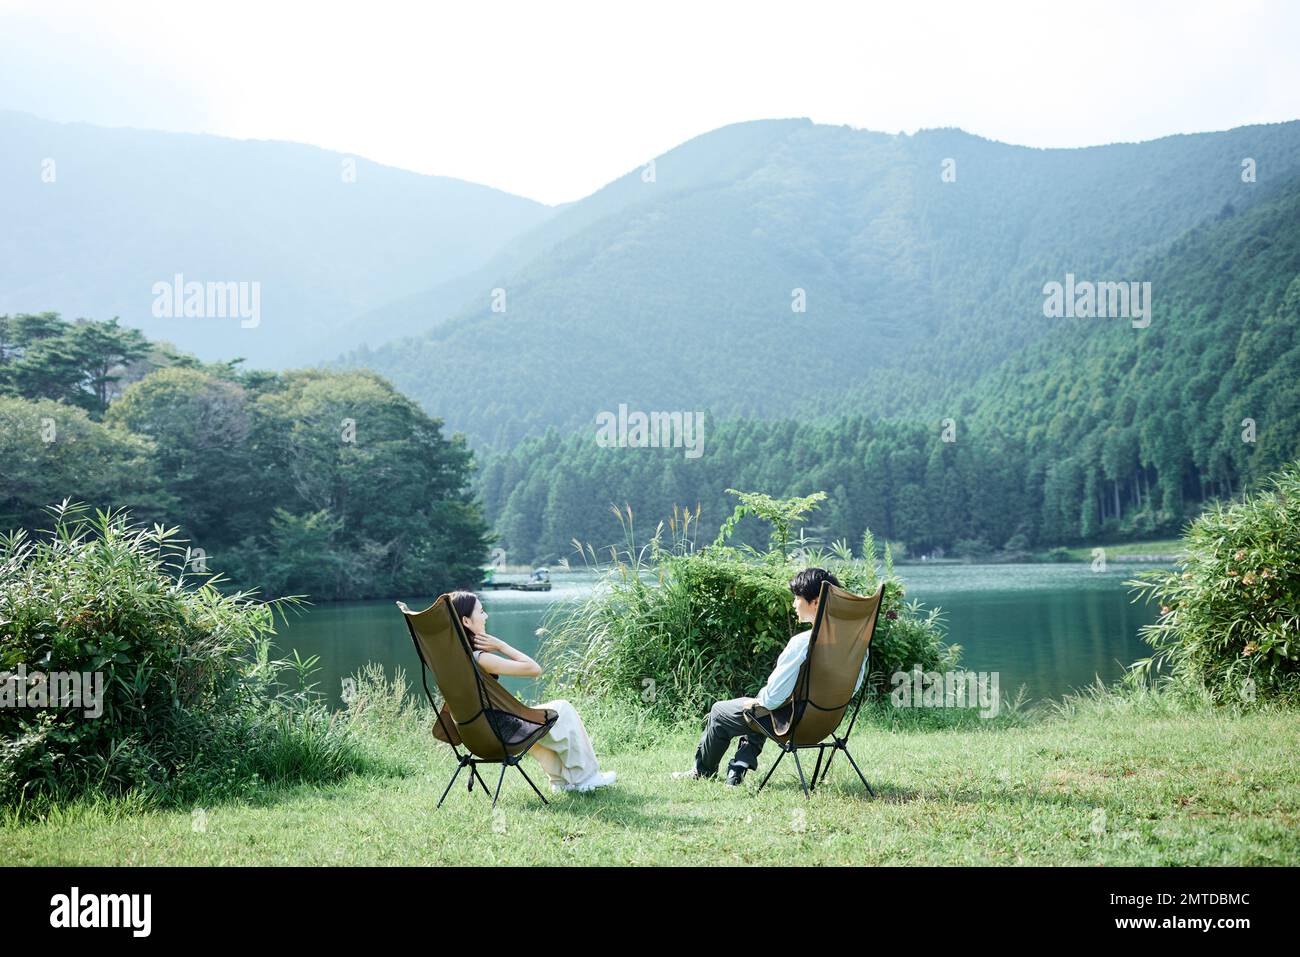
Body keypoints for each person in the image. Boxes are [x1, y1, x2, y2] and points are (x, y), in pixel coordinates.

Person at [673, 567, 865, 786]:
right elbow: (853, 687)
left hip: (794, 725)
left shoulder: (802, 643)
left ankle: (702, 772)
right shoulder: (857, 645)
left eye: (797, 598)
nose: (794, 604)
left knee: (723, 711)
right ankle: (740, 764)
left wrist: (759, 701)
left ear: (816, 601)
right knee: (762, 707)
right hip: (826, 723)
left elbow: (772, 699)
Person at [448, 590, 616, 793]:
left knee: (535, 721)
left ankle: (560, 781)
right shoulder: (479, 659)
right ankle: (586, 778)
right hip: (499, 734)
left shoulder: (452, 661)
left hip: (476, 736)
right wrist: (501, 645)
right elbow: (534, 669)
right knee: (562, 708)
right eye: (481, 611)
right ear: (466, 621)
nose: (486, 616)